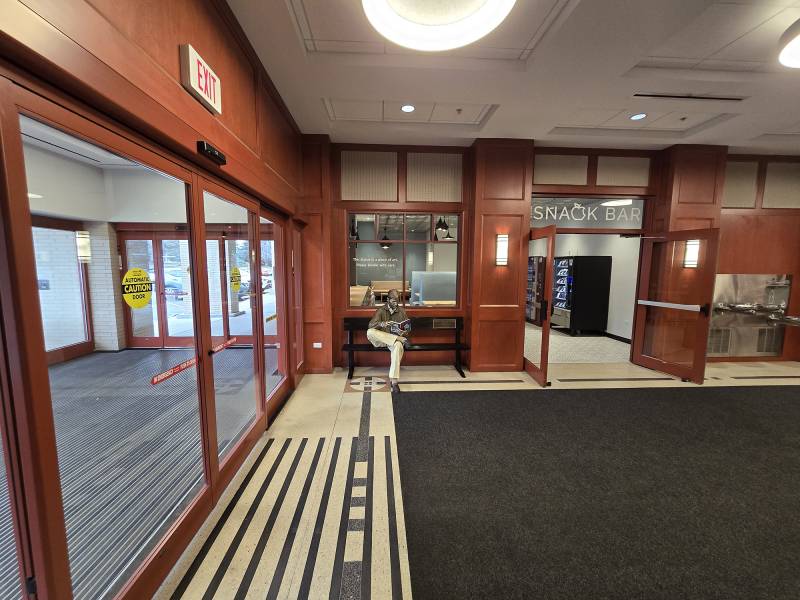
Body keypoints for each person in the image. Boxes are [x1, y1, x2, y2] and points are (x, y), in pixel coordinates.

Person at [367, 289, 410, 393]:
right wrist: (382, 324)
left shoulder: (402, 311)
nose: (396, 303)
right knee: (369, 332)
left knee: (398, 346)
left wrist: (402, 332)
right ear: (388, 299)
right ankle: (398, 340)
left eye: (397, 300)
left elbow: (407, 329)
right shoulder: (381, 310)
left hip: (393, 340)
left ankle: (394, 382)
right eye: (394, 300)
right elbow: (371, 325)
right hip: (381, 340)